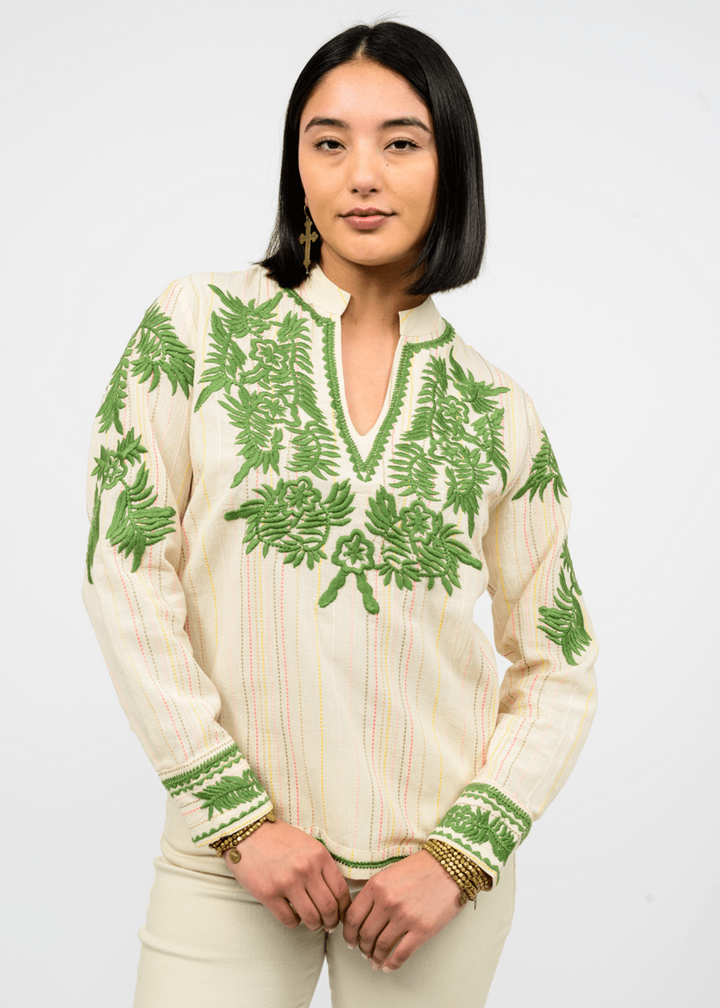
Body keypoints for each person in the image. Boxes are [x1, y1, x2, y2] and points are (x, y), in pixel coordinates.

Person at [83, 20, 598, 1008]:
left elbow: (560, 664)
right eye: (329, 142)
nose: (362, 172)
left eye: (401, 141)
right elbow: (123, 574)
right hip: (227, 866)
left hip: (430, 893)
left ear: (451, 163)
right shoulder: (194, 327)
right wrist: (238, 819)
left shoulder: (500, 413)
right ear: (298, 167)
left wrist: (459, 856)